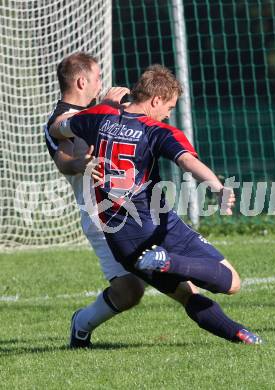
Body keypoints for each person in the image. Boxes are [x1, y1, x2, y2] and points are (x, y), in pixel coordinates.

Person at [50, 64, 263, 345]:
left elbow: (57, 127)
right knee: (230, 283)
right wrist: (217, 186)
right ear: (155, 100)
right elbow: (187, 161)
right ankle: (173, 265)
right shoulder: (156, 130)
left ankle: (240, 334)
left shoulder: (99, 116)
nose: (168, 114)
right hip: (157, 224)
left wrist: (90, 123)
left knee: (191, 293)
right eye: (170, 107)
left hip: (126, 239)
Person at [44, 52, 144, 348]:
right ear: (81, 80)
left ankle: (216, 318)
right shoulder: (60, 120)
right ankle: (82, 323)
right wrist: (82, 164)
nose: (102, 82)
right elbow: (65, 161)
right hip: (100, 215)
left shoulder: (101, 110)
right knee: (130, 292)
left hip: (134, 205)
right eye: (99, 77)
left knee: (172, 263)